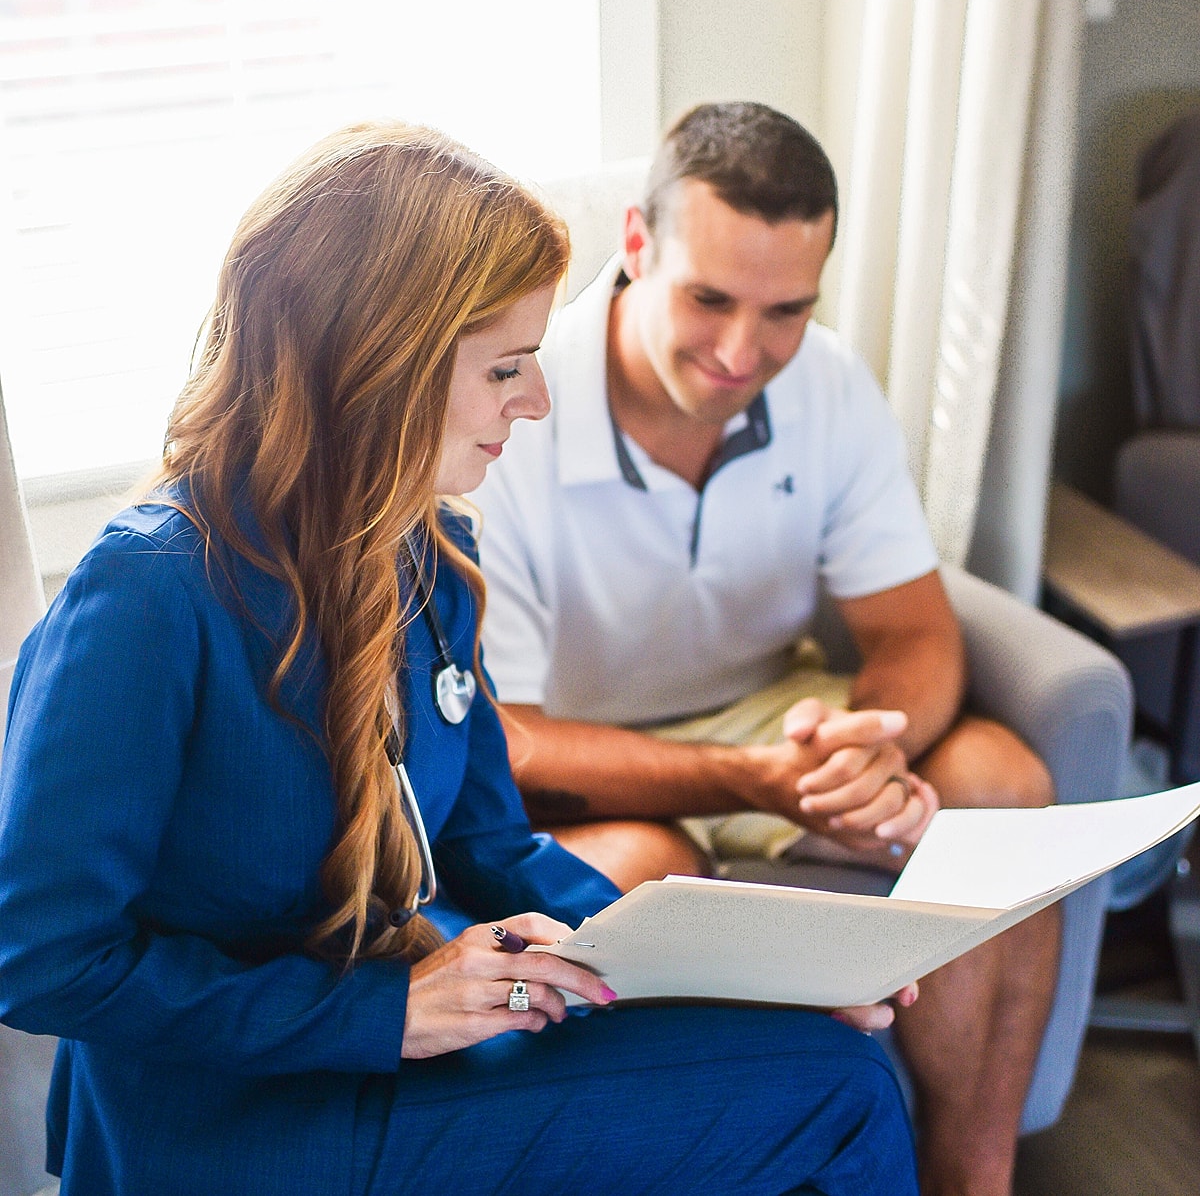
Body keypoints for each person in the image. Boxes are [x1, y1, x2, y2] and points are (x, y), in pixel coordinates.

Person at [0, 121, 919, 1196]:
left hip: (399, 1042)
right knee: (835, 1092)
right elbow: (39, 956)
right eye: (505, 368)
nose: (533, 400)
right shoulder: (151, 593)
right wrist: (384, 1013)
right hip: (236, 1118)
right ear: (379, 367)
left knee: (828, 1055)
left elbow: (490, 841)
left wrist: (761, 975)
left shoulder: (428, 551)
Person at [471, 102, 1061, 1196]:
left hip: (768, 708)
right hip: (579, 756)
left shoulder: (826, 381)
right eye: (709, 300)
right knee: (644, 873)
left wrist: (866, 742)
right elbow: (508, 740)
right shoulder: (516, 399)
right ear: (639, 247)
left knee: (1003, 781)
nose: (744, 351)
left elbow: (916, 631)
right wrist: (763, 782)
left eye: (785, 310)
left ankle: (975, 1179)